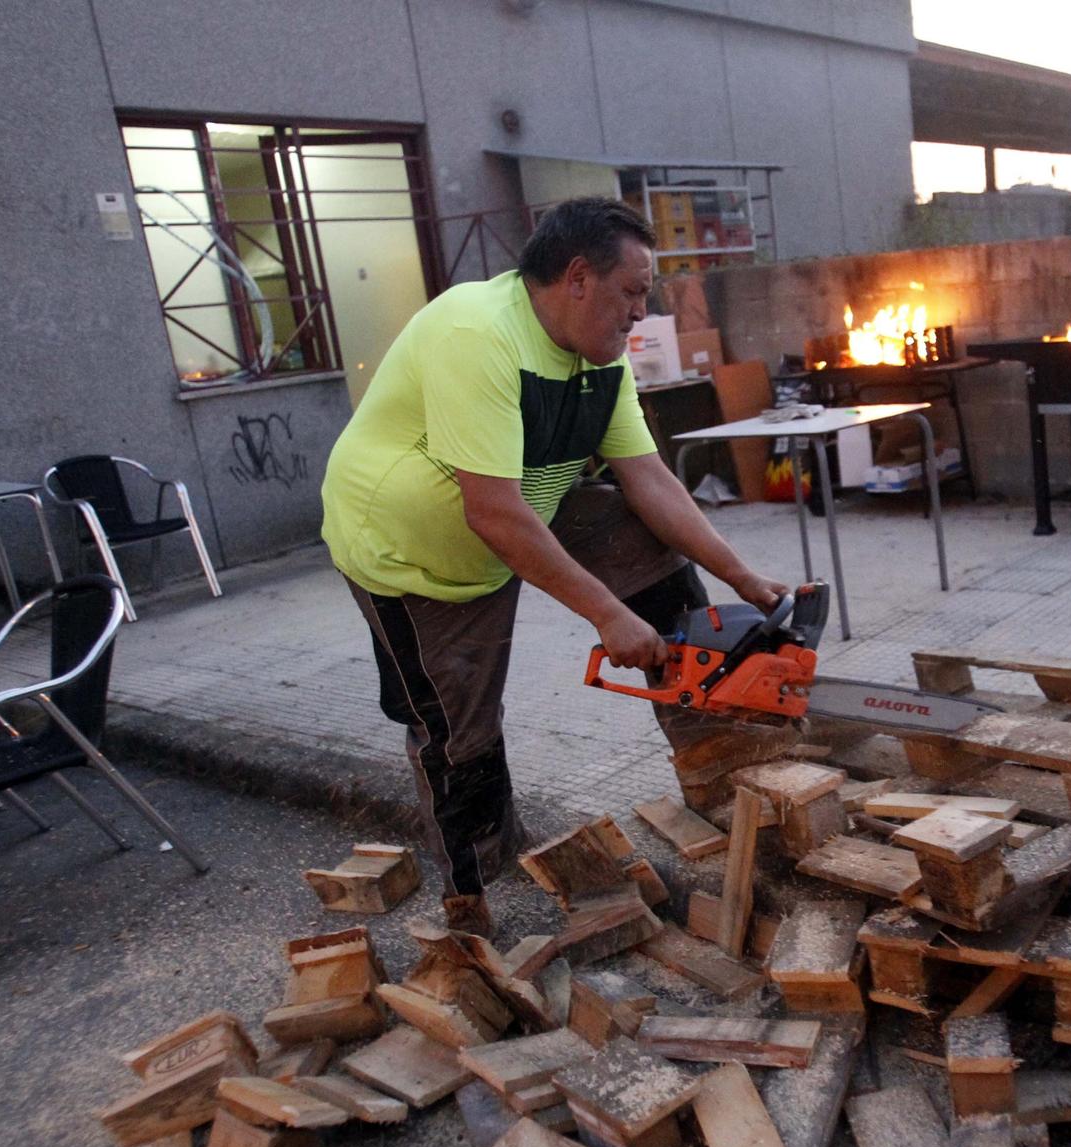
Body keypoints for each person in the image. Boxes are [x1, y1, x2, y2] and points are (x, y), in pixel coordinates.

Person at [320, 197, 786, 935]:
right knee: (458, 730)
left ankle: (714, 752)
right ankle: (472, 904)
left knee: (634, 533)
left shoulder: (599, 358)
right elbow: (493, 514)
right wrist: (606, 612)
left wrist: (744, 578)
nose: (641, 311)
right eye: (632, 292)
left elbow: (650, 478)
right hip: (416, 555)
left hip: (523, 506)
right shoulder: (477, 332)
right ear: (576, 277)